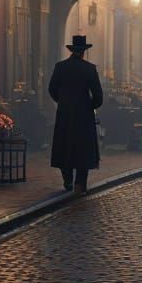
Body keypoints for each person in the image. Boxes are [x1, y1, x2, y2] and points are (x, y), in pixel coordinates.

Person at [49, 35, 104, 196]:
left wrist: (61, 101)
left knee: (64, 145)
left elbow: (52, 89)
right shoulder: (89, 69)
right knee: (83, 150)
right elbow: (98, 96)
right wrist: (90, 106)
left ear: (72, 50)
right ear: (84, 51)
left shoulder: (60, 67)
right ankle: (80, 184)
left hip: (64, 113)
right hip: (84, 115)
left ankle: (67, 179)